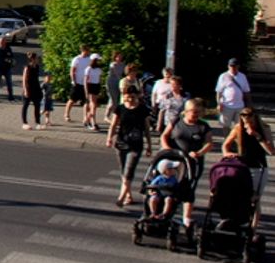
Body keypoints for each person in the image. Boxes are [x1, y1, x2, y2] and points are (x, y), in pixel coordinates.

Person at [161, 99, 214, 229]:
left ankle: (186, 218)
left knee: (188, 189)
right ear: (186, 111)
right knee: (170, 186)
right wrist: (167, 148)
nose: (196, 115)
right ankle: (165, 212)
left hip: (193, 163)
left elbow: (209, 143)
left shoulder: (203, 126)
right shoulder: (176, 122)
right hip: (175, 161)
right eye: (193, 112)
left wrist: (199, 153)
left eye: (198, 112)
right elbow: (164, 136)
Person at [221, 107, 274, 232]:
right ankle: (236, 222)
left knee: (254, 199)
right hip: (242, 166)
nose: (246, 119)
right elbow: (225, 144)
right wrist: (226, 153)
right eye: (243, 116)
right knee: (239, 196)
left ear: (255, 116)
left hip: (259, 167)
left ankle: (252, 228)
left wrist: (257, 135)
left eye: (249, 116)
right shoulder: (238, 128)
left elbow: (271, 151)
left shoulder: (264, 128)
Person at [107, 86, 152, 208]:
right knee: (123, 170)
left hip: (136, 145)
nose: (130, 99)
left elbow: (147, 129)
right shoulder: (120, 108)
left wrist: (149, 145)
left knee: (129, 171)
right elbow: (113, 125)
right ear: (124, 96)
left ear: (137, 96)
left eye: (133, 96)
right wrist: (109, 138)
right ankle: (128, 195)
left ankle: (121, 198)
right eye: (127, 96)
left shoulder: (142, 109)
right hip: (121, 143)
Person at [215, 58, 251, 131]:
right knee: (225, 126)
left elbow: (246, 91)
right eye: (231, 66)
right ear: (228, 66)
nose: (233, 67)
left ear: (238, 66)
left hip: (240, 106)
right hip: (226, 105)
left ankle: (238, 141)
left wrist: (249, 104)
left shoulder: (242, 76)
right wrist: (219, 104)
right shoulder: (223, 76)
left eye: (234, 66)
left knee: (240, 126)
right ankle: (227, 140)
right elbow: (219, 92)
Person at [65, 45, 91, 123]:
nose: (88, 52)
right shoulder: (77, 59)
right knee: (72, 100)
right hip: (77, 82)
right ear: (83, 50)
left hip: (86, 83)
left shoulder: (89, 59)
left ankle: (85, 118)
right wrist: (73, 81)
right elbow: (72, 70)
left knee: (86, 101)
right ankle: (66, 114)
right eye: (87, 50)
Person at [21, 52, 42, 130]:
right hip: (28, 88)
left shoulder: (37, 67)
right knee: (25, 106)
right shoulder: (27, 67)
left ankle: (38, 123)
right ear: (32, 59)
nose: (38, 59)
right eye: (37, 58)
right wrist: (25, 90)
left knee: (37, 105)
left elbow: (36, 78)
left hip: (36, 88)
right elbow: (24, 80)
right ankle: (24, 123)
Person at [0, 37, 15, 102]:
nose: (0, 43)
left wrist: (11, 63)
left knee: (9, 83)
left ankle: (11, 97)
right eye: (0, 42)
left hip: (7, 69)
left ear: (5, 42)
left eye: (2, 42)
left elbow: (12, 58)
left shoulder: (8, 49)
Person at [84, 53, 103, 131]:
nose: (99, 61)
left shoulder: (99, 69)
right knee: (93, 105)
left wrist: (100, 88)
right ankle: (92, 122)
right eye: (98, 60)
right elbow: (85, 81)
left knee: (94, 106)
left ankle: (87, 120)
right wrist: (86, 91)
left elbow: (99, 79)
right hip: (90, 86)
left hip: (96, 86)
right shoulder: (88, 69)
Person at [105, 51, 125, 122]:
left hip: (118, 82)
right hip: (111, 82)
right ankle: (113, 116)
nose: (119, 58)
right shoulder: (113, 64)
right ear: (115, 57)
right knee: (113, 100)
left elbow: (124, 73)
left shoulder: (123, 64)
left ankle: (109, 116)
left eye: (120, 56)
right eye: (118, 56)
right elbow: (116, 73)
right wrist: (120, 79)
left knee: (115, 100)